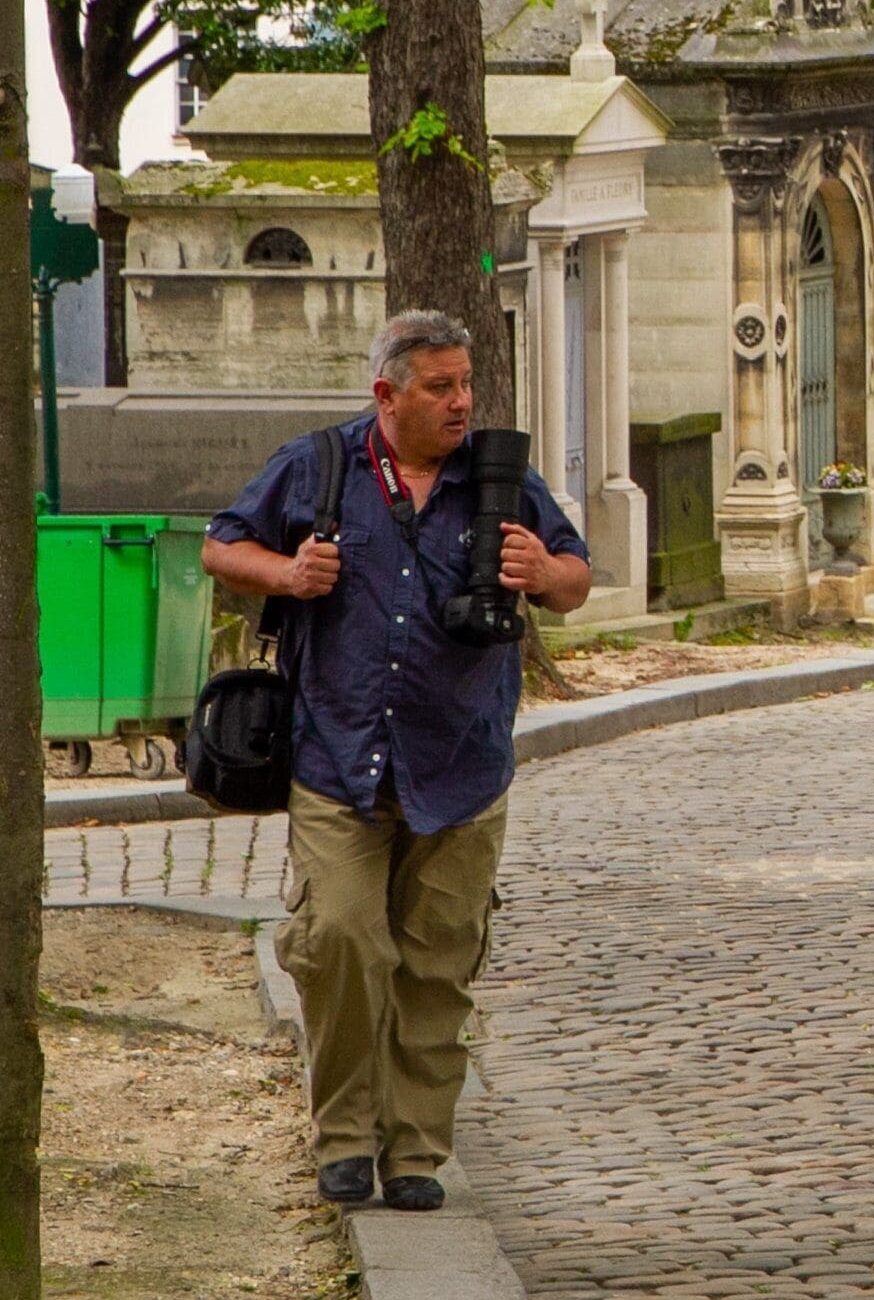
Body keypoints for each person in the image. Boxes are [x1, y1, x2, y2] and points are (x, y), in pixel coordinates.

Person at [201, 311, 593, 1211]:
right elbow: (222, 544)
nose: (461, 403)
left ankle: (415, 1151)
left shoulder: (499, 477)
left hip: (460, 766)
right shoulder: (320, 464)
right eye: (440, 388)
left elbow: (575, 578)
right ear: (387, 394)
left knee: (436, 964)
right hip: (336, 758)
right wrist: (286, 574)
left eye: (466, 386)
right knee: (339, 940)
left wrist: (544, 571)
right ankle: (343, 1135)